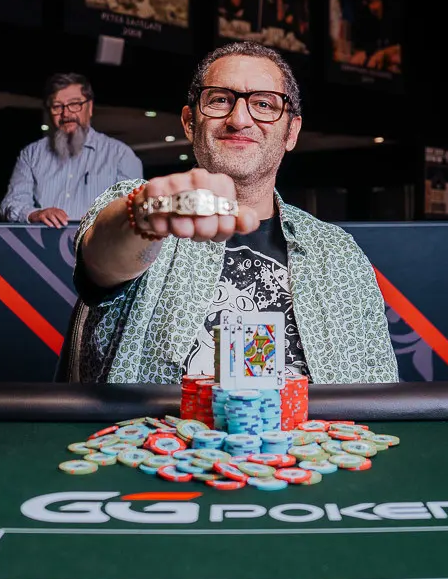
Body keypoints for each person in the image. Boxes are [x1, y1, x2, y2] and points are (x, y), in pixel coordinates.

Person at [70, 41, 399, 385]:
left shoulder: (340, 255)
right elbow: (101, 261)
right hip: (158, 422)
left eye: (263, 104)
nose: (239, 119)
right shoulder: (138, 203)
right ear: (189, 122)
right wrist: (145, 216)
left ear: (291, 132)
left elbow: (379, 392)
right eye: (220, 100)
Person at [0, 73, 142, 227]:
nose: (66, 114)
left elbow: (135, 211)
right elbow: (11, 204)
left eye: (74, 104)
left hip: (99, 242)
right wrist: (35, 214)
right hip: (43, 242)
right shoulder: (31, 154)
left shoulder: (121, 155)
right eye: (57, 106)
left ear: (90, 107)